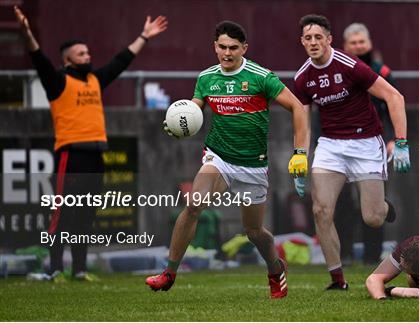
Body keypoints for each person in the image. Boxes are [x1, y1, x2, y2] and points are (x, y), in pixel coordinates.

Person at [145, 21, 310, 299]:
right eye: (222, 47)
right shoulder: (206, 78)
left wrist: (300, 153)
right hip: (218, 157)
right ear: (215, 47)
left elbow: (298, 107)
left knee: (254, 232)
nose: (227, 52)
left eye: (233, 47)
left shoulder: (261, 76)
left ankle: (275, 268)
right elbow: (194, 110)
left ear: (244, 48)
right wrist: (178, 122)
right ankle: (169, 272)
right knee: (194, 204)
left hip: (253, 165)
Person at [13, 6, 167, 281]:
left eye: (88, 52)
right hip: (71, 155)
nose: (88, 56)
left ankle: (80, 270)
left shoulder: (95, 80)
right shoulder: (58, 81)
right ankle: (55, 269)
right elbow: (38, 58)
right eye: (81, 53)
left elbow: (121, 61)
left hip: (96, 155)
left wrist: (143, 36)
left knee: (85, 215)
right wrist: (26, 33)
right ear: (68, 60)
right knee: (63, 213)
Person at [293, 14, 409, 290]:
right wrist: (300, 154)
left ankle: (384, 207)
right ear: (302, 42)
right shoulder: (302, 77)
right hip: (330, 146)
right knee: (321, 210)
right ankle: (337, 279)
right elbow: (302, 121)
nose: (313, 42)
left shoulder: (350, 65)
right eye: (308, 38)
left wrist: (401, 141)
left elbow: (394, 96)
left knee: (372, 218)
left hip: (366, 142)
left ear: (329, 39)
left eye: (318, 37)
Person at [340, 22, 397, 265]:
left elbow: (393, 105)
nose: (358, 46)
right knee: (341, 201)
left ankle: (373, 256)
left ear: (369, 43)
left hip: (373, 143)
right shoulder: (336, 70)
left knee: (373, 203)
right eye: (353, 43)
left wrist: (394, 139)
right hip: (340, 143)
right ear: (345, 46)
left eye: (361, 42)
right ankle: (345, 253)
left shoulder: (382, 72)